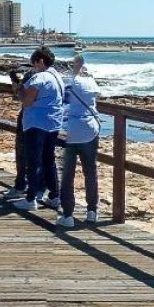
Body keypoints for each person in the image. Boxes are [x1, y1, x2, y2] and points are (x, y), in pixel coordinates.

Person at [9, 47, 64, 211]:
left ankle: (31, 198)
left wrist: (19, 89)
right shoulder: (57, 77)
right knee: (49, 160)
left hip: (36, 124)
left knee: (34, 161)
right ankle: (55, 195)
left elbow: (27, 101)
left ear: (40, 61)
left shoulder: (39, 78)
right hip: (53, 123)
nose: (33, 67)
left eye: (34, 63)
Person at [57, 55, 102, 227]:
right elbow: (97, 94)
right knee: (90, 171)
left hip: (72, 131)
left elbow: (64, 101)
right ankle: (92, 211)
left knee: (68, 174)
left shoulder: (71, 82)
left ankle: (68, 215)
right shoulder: (91, 82)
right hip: (90, 130)